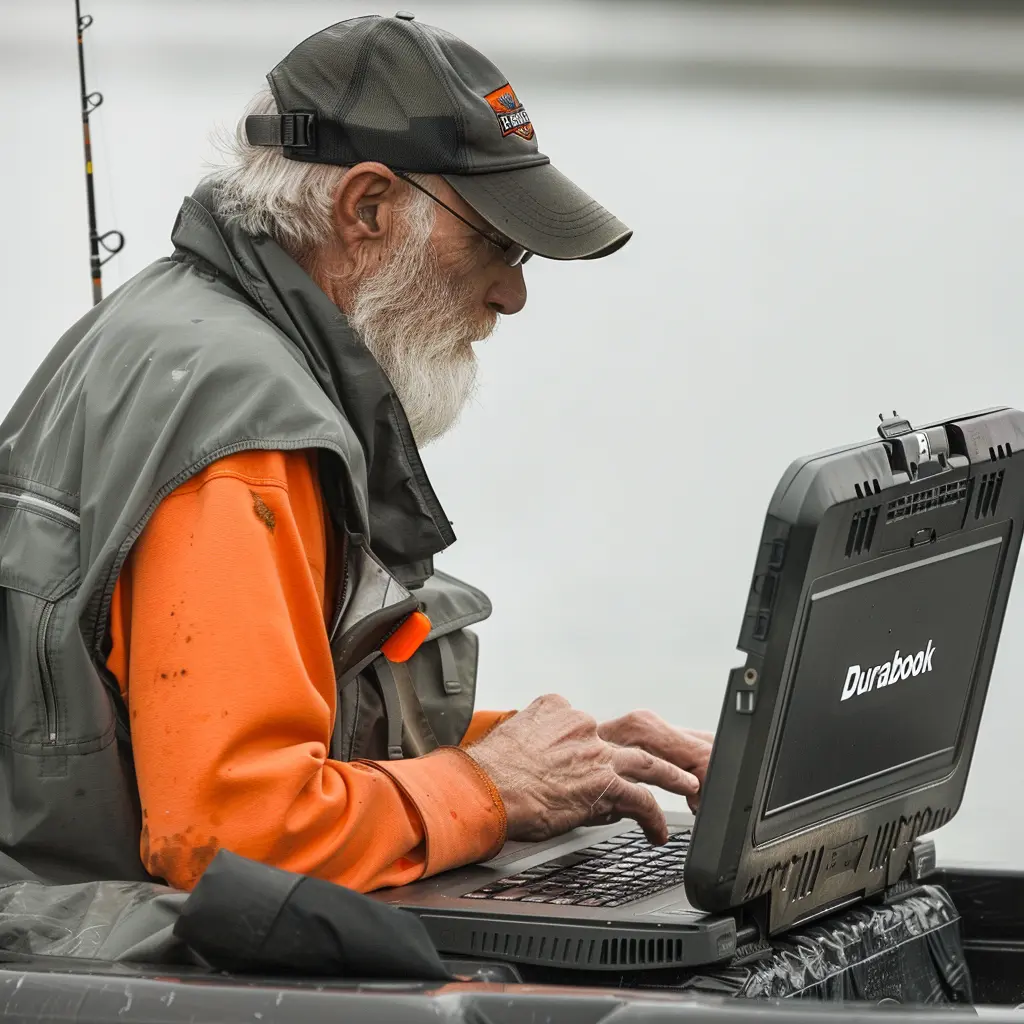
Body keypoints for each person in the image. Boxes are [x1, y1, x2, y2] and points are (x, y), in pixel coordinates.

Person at [0, 13, 712, 894]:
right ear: (366, 208)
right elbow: (228, 838)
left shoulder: (190, 330)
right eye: (497, 239)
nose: (514, 293)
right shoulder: (249, 430)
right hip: (84, 953)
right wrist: (491, 787)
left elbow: (228, 752)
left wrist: (553, 759)